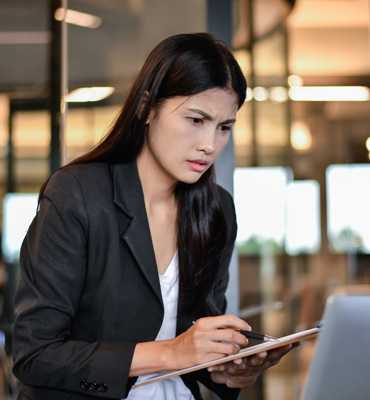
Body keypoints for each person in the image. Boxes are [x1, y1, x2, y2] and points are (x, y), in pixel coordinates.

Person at [12, 33, 293, 400]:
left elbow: (198, 353)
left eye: (224, 127)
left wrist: (231, 371)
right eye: (196, 119)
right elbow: (34, 356)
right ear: (147, 107)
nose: (210, 144)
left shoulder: (217, 208)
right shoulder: (78, 194)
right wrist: (170, 352)